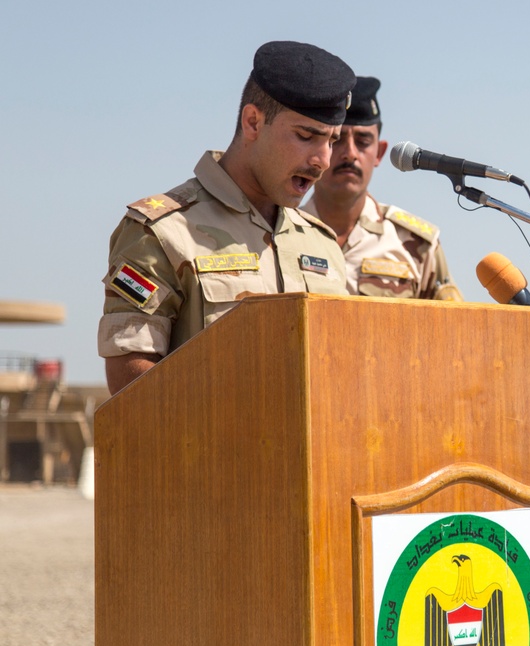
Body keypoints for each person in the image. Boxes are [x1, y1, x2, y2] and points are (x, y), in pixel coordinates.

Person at [98, 41, 356, 394]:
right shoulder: (160, 233)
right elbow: (130, 382)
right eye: (306, 136)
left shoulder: (321, 245)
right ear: (253, 122)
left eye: (331, 141)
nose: (323, 160)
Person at [300, 76, 462, 300]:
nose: (350, 153)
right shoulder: (281, 233)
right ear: (318, 148)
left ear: (379, 152)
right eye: (337, 140)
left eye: (363, 141)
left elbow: (452, 329)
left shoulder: (417, 246)